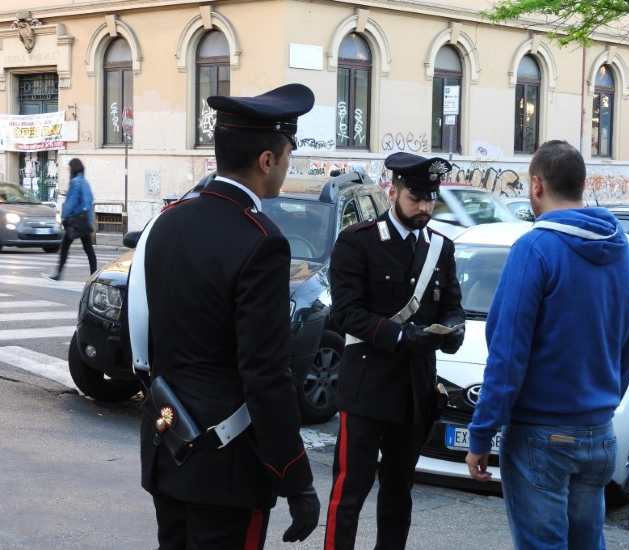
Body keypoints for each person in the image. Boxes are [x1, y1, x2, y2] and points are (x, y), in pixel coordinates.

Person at [129, 84, 320, 550]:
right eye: (287, 157)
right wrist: (295, 477)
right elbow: (265, 374)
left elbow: (147, 338)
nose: (286, 169)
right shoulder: (262, 241)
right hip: (227, 465)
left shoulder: (169, 221)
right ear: (267, 161)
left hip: (168, 443)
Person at [465, 140, 629, 550]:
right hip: (598, 432)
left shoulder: (535, 248)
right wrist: (602, 404)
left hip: (540, 435)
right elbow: (627, 343)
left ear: (536, 185)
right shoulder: (625, 253)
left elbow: (508, 354)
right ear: (582, 184)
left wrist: (481, 435)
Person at [325, 152, 465, 550]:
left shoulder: (441, 248)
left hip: (413, 392)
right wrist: (402, 338)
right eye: (415, 198)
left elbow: (451, 303)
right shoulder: (358, 242)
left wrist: (454, 329)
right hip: (367, 389)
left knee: (399, 495)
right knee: (349, 494)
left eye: (430, 200)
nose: (424, 208)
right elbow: (347, 313)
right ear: (393, 191)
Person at [48, 158, 97, 280]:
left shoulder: (75, 182)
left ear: (73, 169)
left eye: (70, 168)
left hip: (75, 221)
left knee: (65, 247)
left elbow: (71, 202)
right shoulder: (85, 182)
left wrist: (64, 216)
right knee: (88, 249)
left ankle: (58, 273)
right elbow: (89, 201)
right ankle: (94, 274)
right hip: (84, 221)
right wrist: (89, 220)